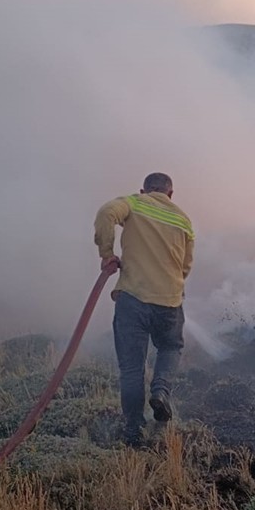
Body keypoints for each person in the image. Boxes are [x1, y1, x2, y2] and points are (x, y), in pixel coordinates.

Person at [94, 172, 194, 443]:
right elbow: (185, 265)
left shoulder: (135, 203)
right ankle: (161, 391)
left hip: (134, 299)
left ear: (144, 190)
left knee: (131, 368)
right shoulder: (183, 219)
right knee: (171, 347)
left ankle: (133, 429)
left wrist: (107, 254)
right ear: (171, 194)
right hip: (170, 301)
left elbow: (106, 214)